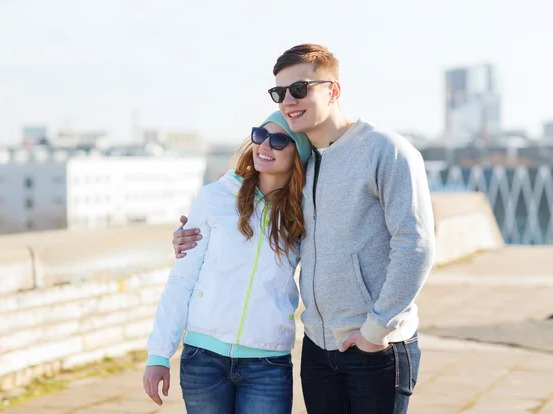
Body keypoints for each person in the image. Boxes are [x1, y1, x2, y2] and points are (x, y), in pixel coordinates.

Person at [172, 44, 436, 413]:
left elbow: (415, 244)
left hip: (377, 345)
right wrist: (194, 234)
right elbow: (253, 224)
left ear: (334, 90)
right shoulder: (302, 165)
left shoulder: (385, 150)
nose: (289, 101)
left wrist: (376, 331)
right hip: (317, 348)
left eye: (300, 89)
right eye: (280, 93)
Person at [143, 111, 312, 414]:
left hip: (268, 363)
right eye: (260, 136)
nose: (264, 146)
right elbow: (183, 279)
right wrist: (159, 353)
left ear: (298, 153)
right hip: (203, 358)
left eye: (278, 141)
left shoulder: (304, 212)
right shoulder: (216, 197)